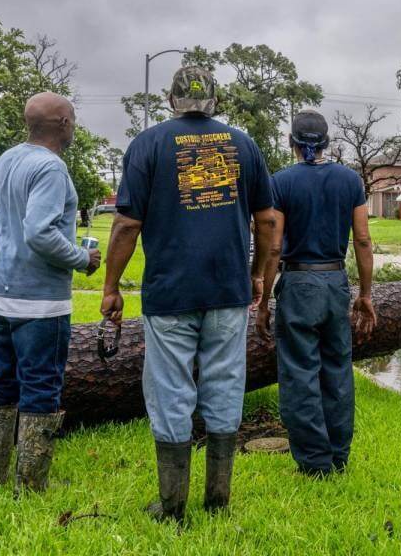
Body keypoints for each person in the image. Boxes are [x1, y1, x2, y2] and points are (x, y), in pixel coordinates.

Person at [100, 66, 276, 522]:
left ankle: (172, 506)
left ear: (170, 100)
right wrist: (257, 275)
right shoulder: (244, 145)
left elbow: (126, 224)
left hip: (170, 291)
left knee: (170, 390)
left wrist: (111, 286)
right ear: (215, 100)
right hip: (227, 290)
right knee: (225, 385)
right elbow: (269, 222)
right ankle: (218, 501)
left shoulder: (148, 144)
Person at [0, 92, 101, 493]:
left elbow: (8, 223)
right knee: (41, 385)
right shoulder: (51, 169)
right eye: (74, 118)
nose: (75, 124)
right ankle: (30, 485)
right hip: (38, 299)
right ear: (63, 122)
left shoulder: (7, 159)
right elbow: (40, 232)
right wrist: (83, 259)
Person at [255, 110, 376, 477]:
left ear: (292, 142)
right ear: (327, 142)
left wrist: (264, 300)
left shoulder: (281, 182)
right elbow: (363, 240)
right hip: (336, 282)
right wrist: (365, 295)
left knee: (299, 372)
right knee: (338, 369)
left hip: (299, 283)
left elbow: (274, 248)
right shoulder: (350, 180)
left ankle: (313, 462)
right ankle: (339, 454)